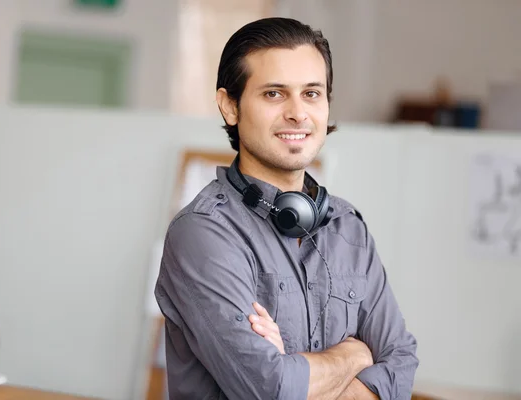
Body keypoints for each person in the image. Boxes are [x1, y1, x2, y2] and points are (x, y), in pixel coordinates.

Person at [154, 17, 418, 400]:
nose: (298, 113)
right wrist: (354, 354)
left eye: (312, 93)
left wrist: (299, 372)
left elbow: (401, 363)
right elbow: (270, 388)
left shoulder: (348, 229)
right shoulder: (202, 234)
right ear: (230, 106)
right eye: (274, 94)